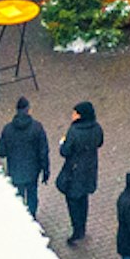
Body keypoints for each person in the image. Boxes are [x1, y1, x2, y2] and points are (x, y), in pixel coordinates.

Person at [55, 101, 105, 244]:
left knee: (73, 201)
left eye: (75, 112)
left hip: (74, 172)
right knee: (83, 199)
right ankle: (82, 227)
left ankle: (77, 230)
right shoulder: (96, 128)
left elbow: (65, 151)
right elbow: (100, 142)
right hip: (89, 170)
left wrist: (63, 143)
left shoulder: (74, 131)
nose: (72, 115)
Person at [0, 98, 50, 216]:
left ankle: (20, 219)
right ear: (29, 110)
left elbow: (0, 152)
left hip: (15, 170)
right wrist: (45, 170)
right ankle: (32, 217)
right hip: (32, 170)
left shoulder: (8, 129)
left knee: (18, 198)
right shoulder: (37, 127)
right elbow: (43, 152)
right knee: (32, 196)